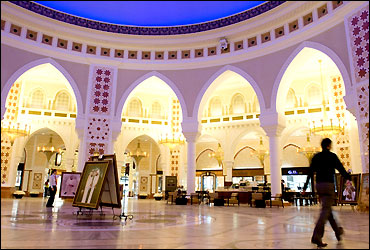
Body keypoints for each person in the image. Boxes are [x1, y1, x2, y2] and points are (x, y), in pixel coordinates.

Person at [302, 138, 351, 247]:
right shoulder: (332, 156)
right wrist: (349, 178)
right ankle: (317, 236)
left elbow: (310, 172)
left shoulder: (316, 156)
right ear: (329, 146)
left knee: (328, 211)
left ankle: (338, 232)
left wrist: (305, 187)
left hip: (319, 186)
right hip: (328, 185)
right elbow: (341, 169)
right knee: (325, 211)